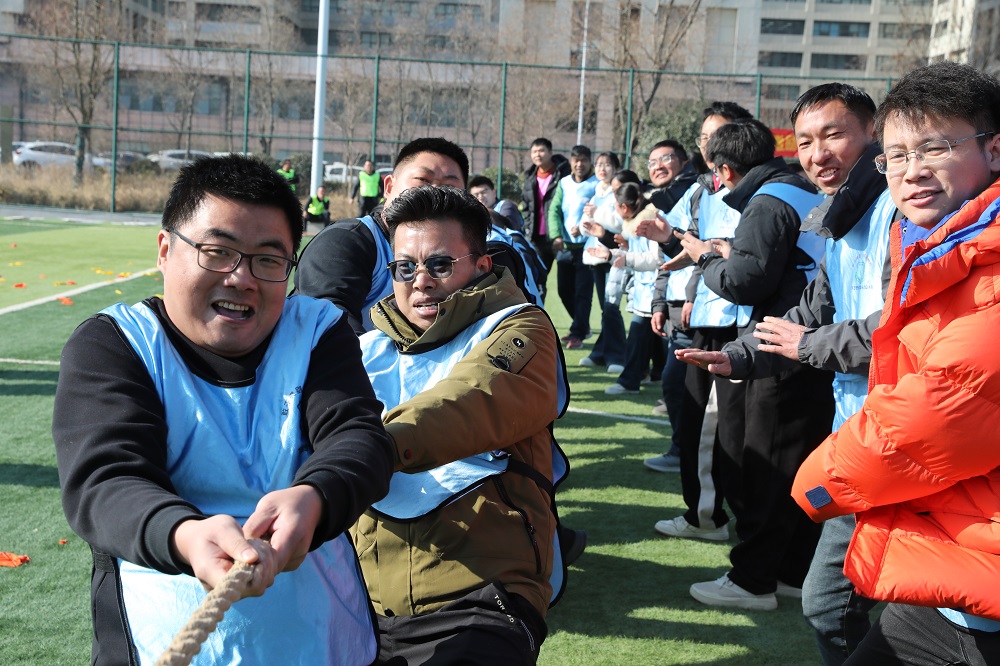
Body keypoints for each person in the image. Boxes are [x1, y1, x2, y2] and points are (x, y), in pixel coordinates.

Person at [52, 154, 395, 665]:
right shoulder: (115, 344)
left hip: (325, 642)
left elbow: (359, 438)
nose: (241, 277)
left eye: (268, 260)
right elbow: (105, 481)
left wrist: (316, 495)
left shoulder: (316, 331)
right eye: (217, 252)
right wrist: (186, 534)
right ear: (165, 250)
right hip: (159, 635)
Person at [792, 61, 1000, 665]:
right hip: (958, 563)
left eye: (934, 148)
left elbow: (938, 411)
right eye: (897, 156)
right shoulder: (933, 247)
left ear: (992, 150)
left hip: (973, 555)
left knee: (829, 604)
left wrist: (815, 487)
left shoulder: (977, 263)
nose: (912, 171)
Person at [682, 83, 893, 664]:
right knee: (842, 599)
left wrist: (707, 259)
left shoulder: (898, 211)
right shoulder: (838, 213)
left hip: (901, 435)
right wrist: (741, 356)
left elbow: (903, 328)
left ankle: (756, 576)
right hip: (862, 430)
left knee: (870, 602)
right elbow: (808, 312)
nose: (817, 153)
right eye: (804, 141)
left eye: (834, 135)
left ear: (873, 134)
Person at [354, 185, 570, 665]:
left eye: (439, 264)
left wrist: (366, 450)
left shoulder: (520, 327)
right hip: (360, 602)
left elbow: (470, 400)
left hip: (480, 594)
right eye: (404, 267)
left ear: (481, 265)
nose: (421, 281)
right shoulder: (364, 348)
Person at [676, 118, 836, 610]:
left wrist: (705, 258)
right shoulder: (801, 191)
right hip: (815, 346)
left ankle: (753, 579)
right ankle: (791, 570)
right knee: (799, 465)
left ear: (723, 169)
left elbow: (746, 283)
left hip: (784, 349)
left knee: (768, 467)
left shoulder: (768, 201)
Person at [294, 137, 469, 334]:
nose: (434, 193)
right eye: (422, 180)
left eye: (449, 188)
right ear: (389, 187)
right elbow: (325, 322)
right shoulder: (346, 242)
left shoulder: (469, 251)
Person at [585, 182, 663, 394]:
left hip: (654, 290)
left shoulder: (648, 223)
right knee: (651, 336)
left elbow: (655, 259)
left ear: (624, 208)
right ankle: (651, 373)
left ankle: (630, 382)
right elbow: (637, 255)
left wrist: (622, 257)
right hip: (646, 289)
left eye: (615, 207)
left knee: (638, 334)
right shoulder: (636, 223)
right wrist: (612, 254)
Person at [549, 144, 598, 349]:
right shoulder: (564, 183)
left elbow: (602, 212)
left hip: (588, 247)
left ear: (589, 162)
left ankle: (578, 332)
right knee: (563, 290)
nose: (579, 164)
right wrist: (556, 236)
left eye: (584, 160)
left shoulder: (597, 184)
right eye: (576, 160)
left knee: (582, 293)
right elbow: (554, 210)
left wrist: (586, 228)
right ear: (571, 162)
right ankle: (582, 326)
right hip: (565, 248)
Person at [521, 137, 571, 291]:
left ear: (550, 152)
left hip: (560, 238)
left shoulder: (564, 175)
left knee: (566, 287)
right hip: (537, 239)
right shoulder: (529, 177)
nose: (537, 154)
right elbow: (526, 206)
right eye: (534, 151)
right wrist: (528, 229)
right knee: (536, 283)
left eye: (541, 150)